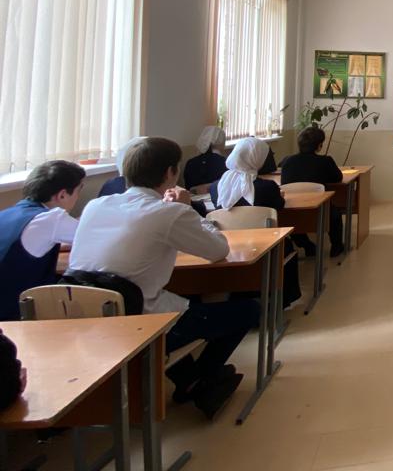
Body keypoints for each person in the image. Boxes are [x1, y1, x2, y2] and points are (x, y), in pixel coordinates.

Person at [69, 137, 258, 419]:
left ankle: (189, 380)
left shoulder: (96, 206)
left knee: (175, 303)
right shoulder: (169, 212)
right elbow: (218, 249)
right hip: (138, 326)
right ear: (171, 172)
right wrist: (187, 208)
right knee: (248, 310)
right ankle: (203, 379)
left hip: (82, 324)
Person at [210, 138, 302, 305]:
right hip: (265, 247)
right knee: (287, 246)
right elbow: (279, 206)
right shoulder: (267, 187)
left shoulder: (217, 187)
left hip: (228, 247)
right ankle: (282, 300)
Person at [0, 161, 84, 321]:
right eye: (78, 192)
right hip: (16, 313)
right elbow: (95, 238)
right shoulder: (53, 219)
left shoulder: (6, 214)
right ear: (62, 195)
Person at [280, 126, 345, 257]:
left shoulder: (286, 161)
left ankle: (307, 245)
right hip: (319, 210)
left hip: (291, 210)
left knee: (291, 220)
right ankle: (336, 247)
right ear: (319, 146)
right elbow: (338, 177)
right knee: (334, 215)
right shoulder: (325, 161)